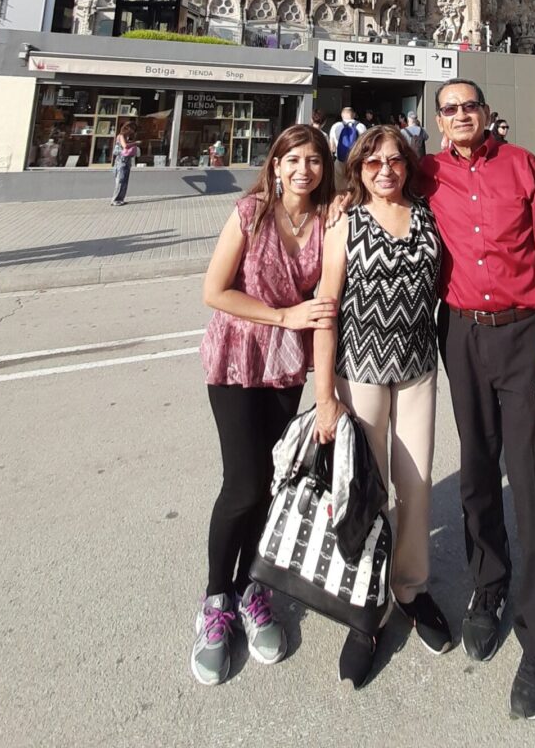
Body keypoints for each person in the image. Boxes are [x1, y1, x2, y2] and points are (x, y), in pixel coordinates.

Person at [421, 79, 535, 720]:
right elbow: (363, 192)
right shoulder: (424, 171)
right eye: (449, 109)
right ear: (438, 122)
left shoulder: (521, 165)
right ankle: (489, 585)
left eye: (469, 106)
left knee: (533, 480)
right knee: (478, 471)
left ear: (487, 114)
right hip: (460, 334)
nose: (460, 116)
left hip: (523, 333)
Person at [192, 125, 337, 687]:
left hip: (284, 367)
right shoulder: (250, 212)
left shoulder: (327, 219)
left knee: (273, 483)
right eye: (292, 159)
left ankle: (253, 587)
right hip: (236, 355)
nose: (303, 169)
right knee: (243, 483)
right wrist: (284, 317)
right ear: (275, 165)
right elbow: (213, 290)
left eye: (314, 160)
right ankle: (215, 600)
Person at [315, 125, 451, 687]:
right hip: (361, 373)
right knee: (364, 492)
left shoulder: (427, 216)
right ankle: (364, 607)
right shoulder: (345, 224)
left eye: (395, 161)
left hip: (418, 369)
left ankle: (411, 588)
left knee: (415, 485)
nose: (386, 171)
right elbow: (325, 309)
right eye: (373, 164)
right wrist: (324, 396)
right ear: (358, 170)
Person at [329, 106, 366, 190]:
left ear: (342, 115)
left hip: (340, 160)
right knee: (355, 187)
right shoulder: (361, 127)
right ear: (354, 115)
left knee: (339, 187)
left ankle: (341, 201)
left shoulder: (336, 126)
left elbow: (332, 147)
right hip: (356, 161)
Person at [111, 122, 140, 205]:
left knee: (124, 181)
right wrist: (135, 143)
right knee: (120, 180)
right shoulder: (121, 136)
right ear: (127, 128)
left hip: (126, 161)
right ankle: (115, 200)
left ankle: (120, 198)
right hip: (121, 161)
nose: (132, 131)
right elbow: (125, 146)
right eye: (132, 129)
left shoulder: (126, 137)